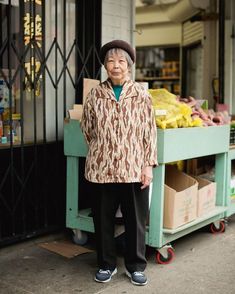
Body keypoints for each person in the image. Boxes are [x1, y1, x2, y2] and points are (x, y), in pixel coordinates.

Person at [81, 40, 157, 286]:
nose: (116, 66)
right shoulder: (95, 93)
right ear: (105, 65)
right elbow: (88, 129)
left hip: (134, 167)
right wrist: (104, 148)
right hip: (102, 168)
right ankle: (106, 264)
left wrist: (147, 165)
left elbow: (149, 131)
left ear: (129, 66)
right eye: (111, 61)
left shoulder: (141, 94)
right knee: (102, 218)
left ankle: (135, 266)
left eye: (121, 61)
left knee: (135, 218)